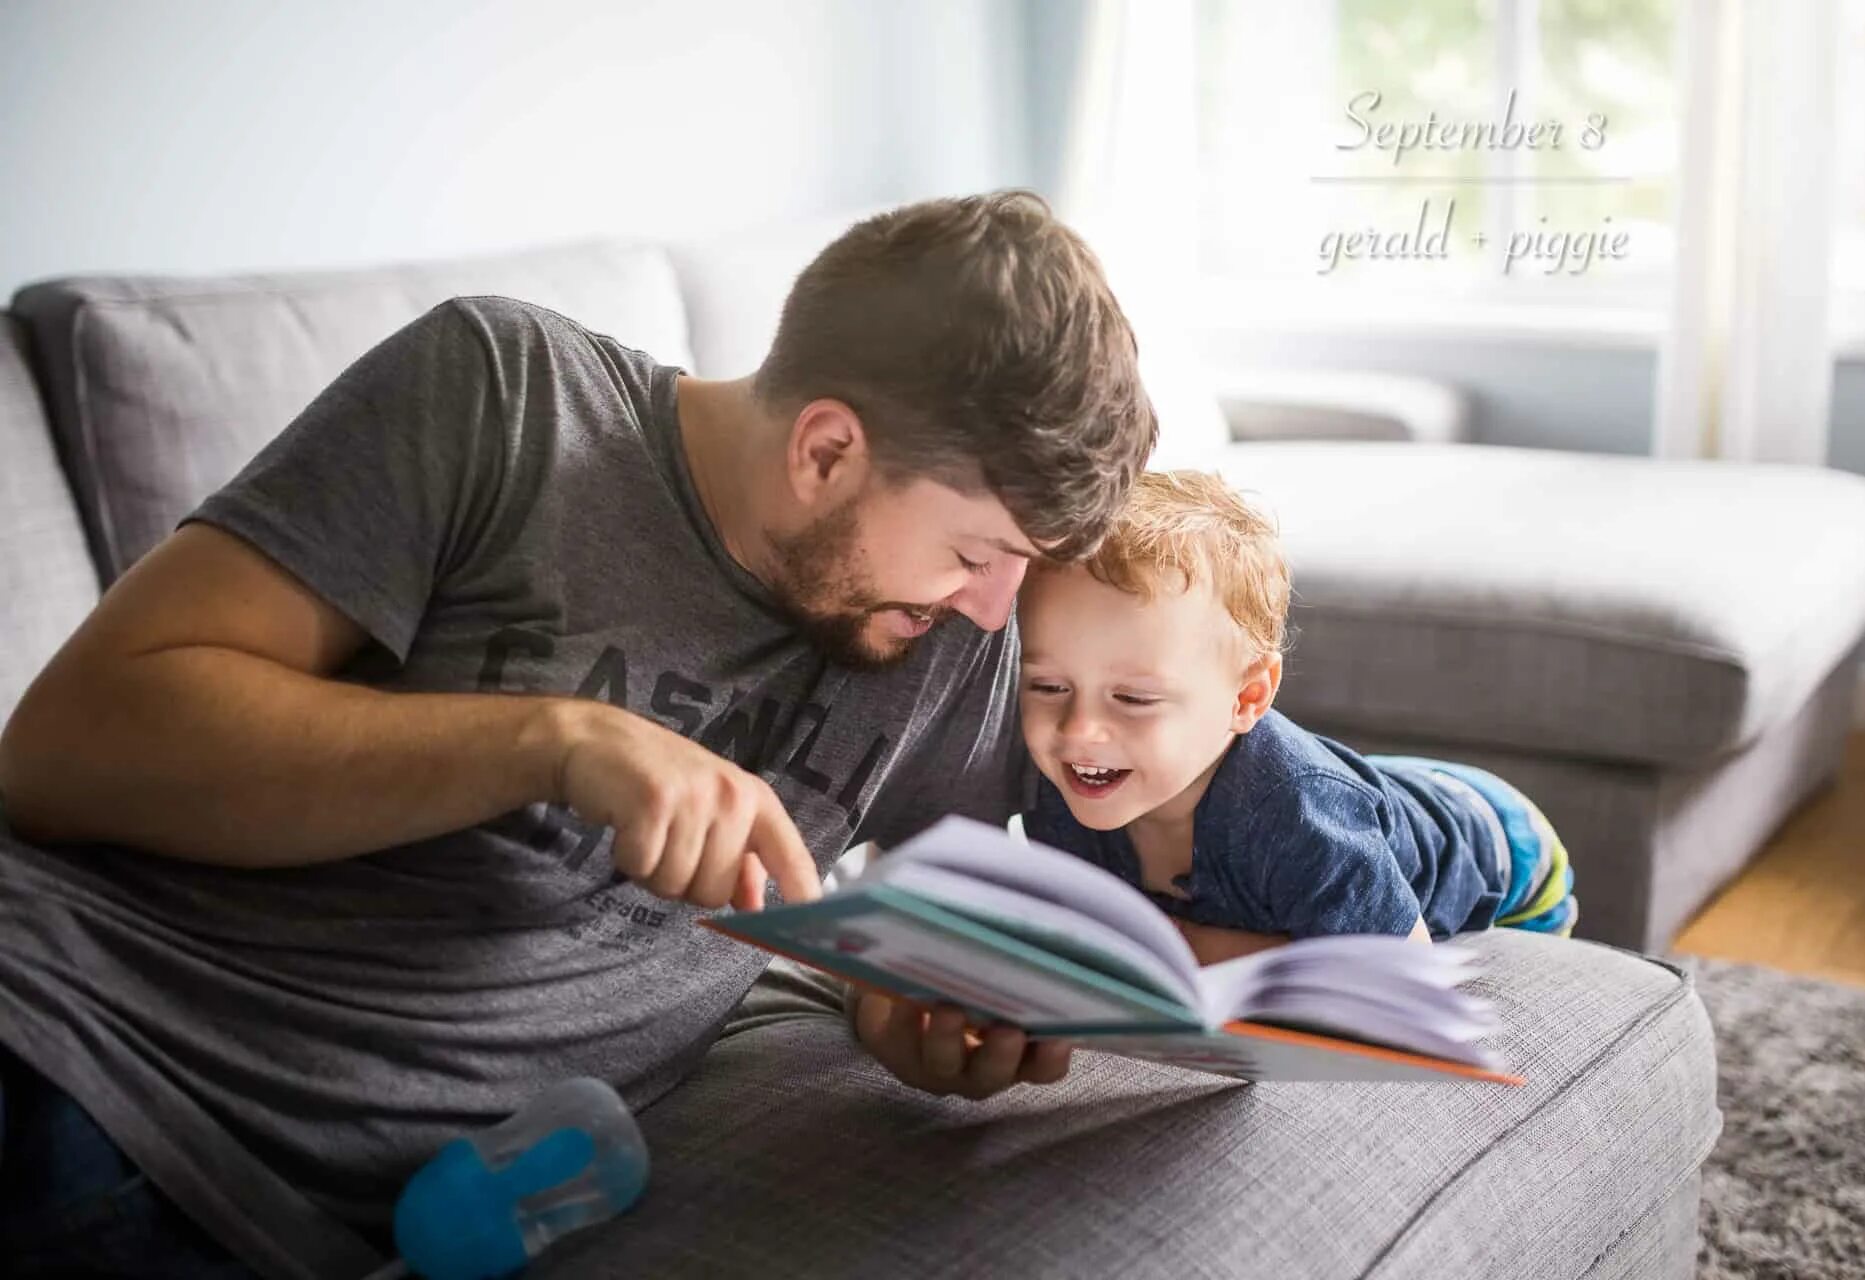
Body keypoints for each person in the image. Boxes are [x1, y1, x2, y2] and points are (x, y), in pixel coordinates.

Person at [0, 190, 1157, 1278]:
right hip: (77, 1062)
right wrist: (549, 740)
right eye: (973, 553)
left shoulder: (949, 641)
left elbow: (1026, 867)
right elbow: (62, 749)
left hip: (351, 1219)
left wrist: (895, 998)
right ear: (824, 451)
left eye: (1023, 566)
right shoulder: (504, 395)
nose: (996, 609)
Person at [1016, 471, 1577, 967]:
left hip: (1503, 846)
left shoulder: (1297, 813)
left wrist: (1192, 946)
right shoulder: (1062, 781)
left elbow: (1403, 975)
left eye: (1134, 698)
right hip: (1368, 793)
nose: (1076, 729)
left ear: (1247, 698)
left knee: (1338, 808)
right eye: (1047, 686)